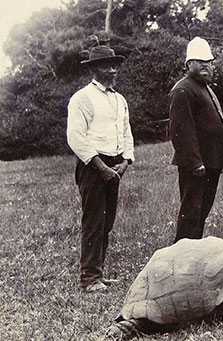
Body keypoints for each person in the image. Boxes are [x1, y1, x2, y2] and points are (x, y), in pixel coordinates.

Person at [66, 45, 134, 293]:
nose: (114, 69)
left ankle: (99, 274)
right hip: (93, 166)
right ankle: (89, 278)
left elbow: (126, 132)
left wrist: (126, 161)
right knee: (94, 221)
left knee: (107, 222)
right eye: (107, 65)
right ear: (94, 69)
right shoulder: (82, 99)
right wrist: (100, 166)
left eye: (115, 65)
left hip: (115, 165)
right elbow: (76, 137)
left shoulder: (119, 99)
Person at [169, 37, 223, 243]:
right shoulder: (183, 90)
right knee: (191, 214)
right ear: (188, 64)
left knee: (201, 213)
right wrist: (195, 163)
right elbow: (181, 131)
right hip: (196, 166)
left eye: (209, 61)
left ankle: (193, 255)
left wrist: (218, 161)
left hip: (211, 163)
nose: (206, 65)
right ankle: (180, 258)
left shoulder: (204, 88)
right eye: (200, 61)